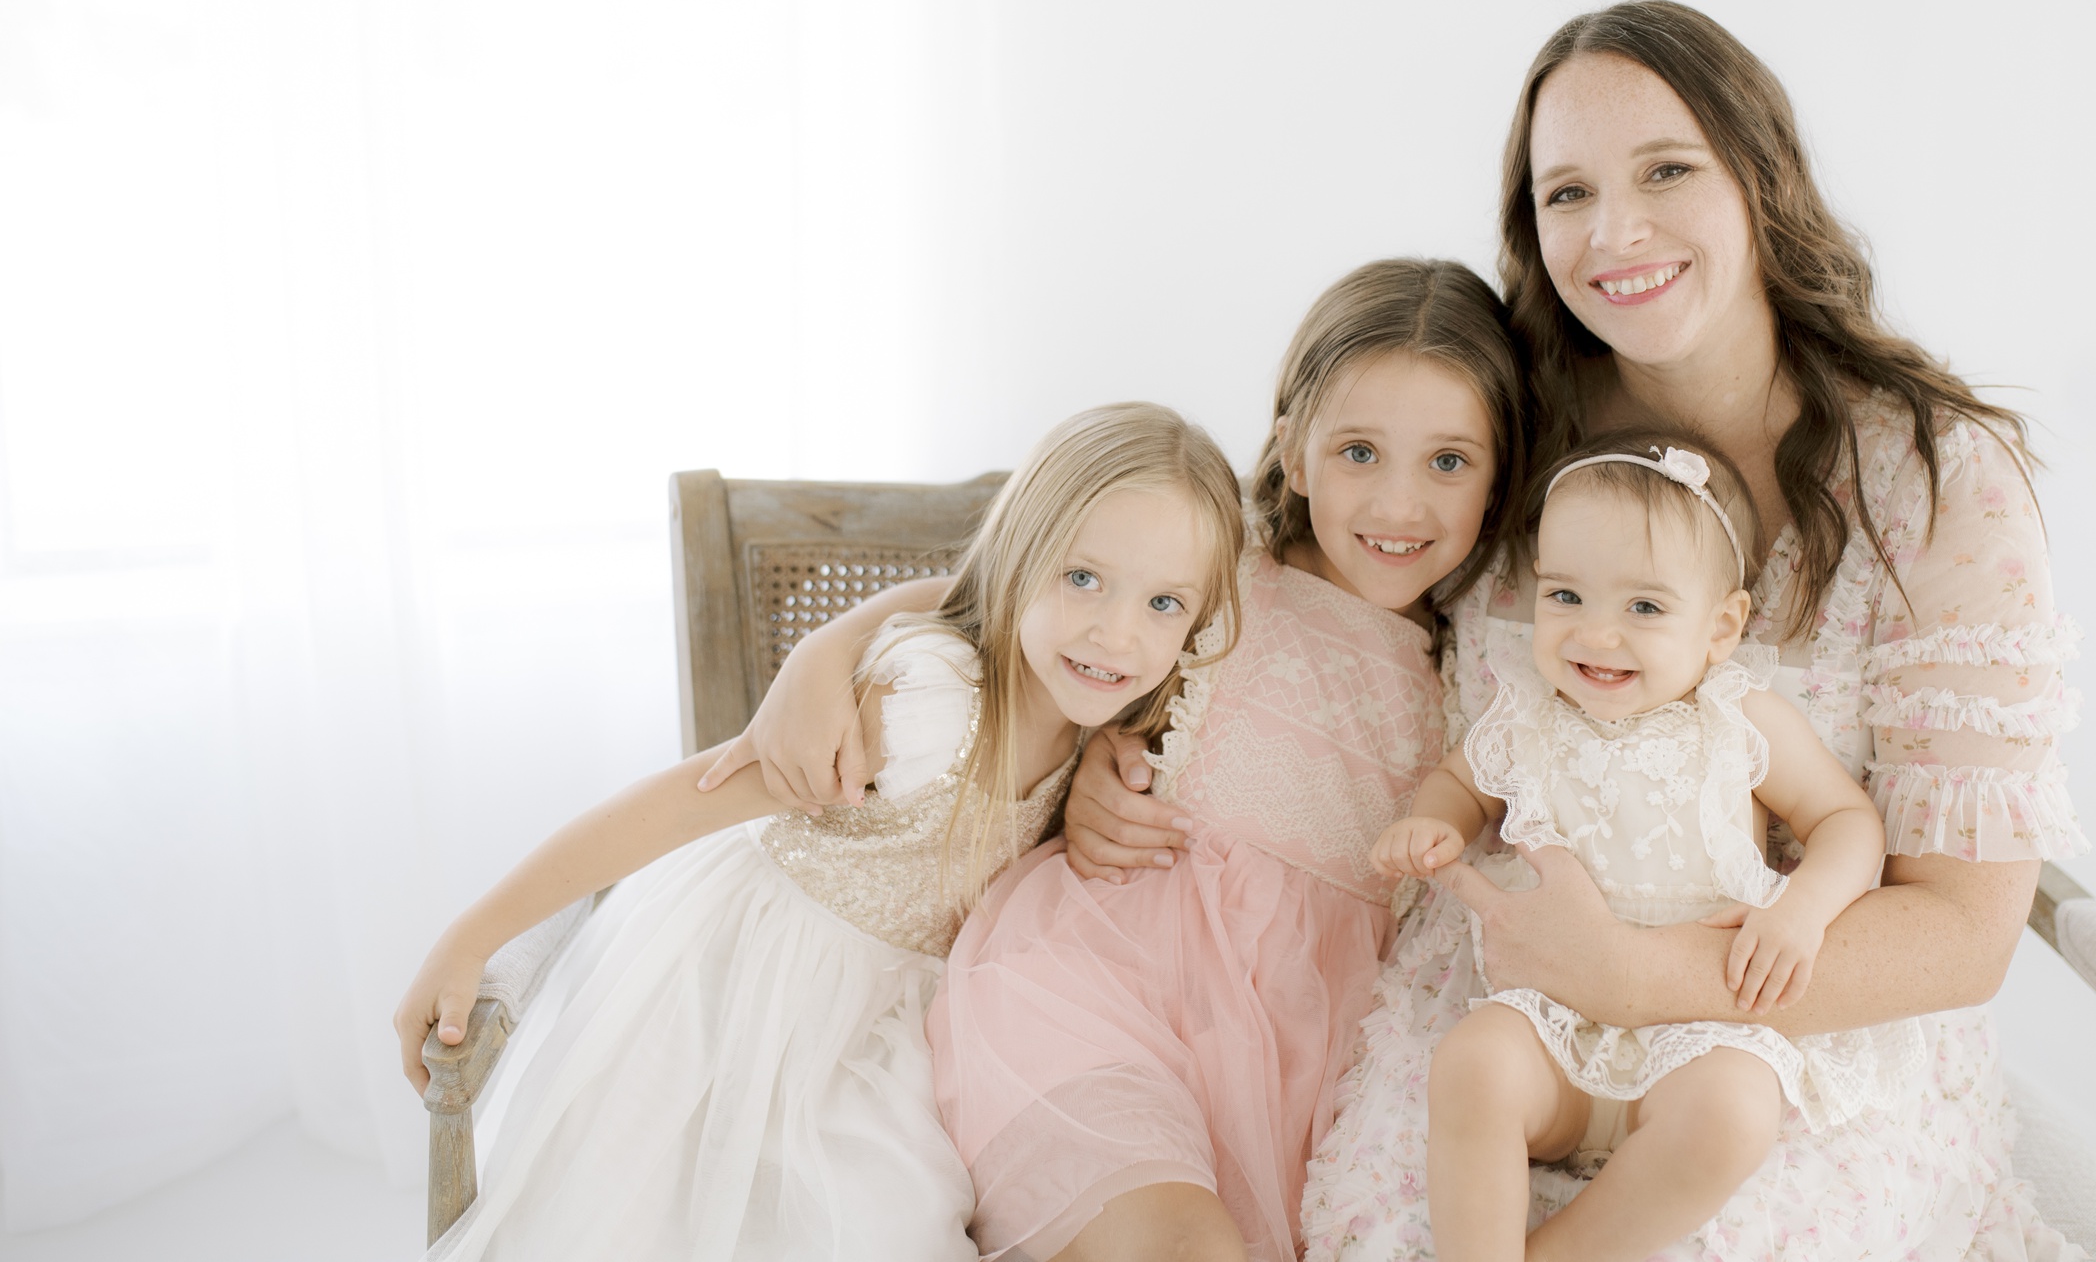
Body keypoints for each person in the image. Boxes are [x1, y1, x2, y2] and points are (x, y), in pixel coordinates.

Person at [1299, 0, 2088, 1260]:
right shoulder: (1517, 426)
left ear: (1761, 180)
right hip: (1501, 1005)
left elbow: (1963, 929)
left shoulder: (1939, 484)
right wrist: (913, 631)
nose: (1616, 232)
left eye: (1667, 169)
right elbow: (1277, 533)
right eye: (1566, 193)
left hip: (1790, 1039)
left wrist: (1638, 977)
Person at [708, 257, 1527, 1261]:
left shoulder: (1476, 666)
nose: (1398, 503)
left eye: (1448, 461)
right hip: (1096, 984)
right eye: (1359, 450)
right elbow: (991, 594)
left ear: (1499, 478)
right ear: (1295, 453)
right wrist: (822, 652)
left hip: (1298, 1064)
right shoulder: (1222, 568)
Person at [392, 403, 1244, 1262]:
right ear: (1024, 554)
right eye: (1084, 578)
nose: (1117, 632)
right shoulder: (931, 704)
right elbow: (690, 797)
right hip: (749, 980)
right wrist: (472, 934)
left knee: (893, 1214)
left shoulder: (1109, 721)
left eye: (1162, 601)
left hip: (894, 1020)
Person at [1343, 427, 1919, 1262]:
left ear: (1721, 628)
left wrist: (1804, 909)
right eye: (1565, 596)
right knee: (1473, 1065)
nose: (1595, 635)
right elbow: (1463, 782)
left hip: (1695, 1027)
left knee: (1736, 1112)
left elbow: (1847, 820)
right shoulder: (1530, 714)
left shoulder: (1739, 718)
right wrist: (1435, 821)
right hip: (1552, 1019)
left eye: (1644, 607)